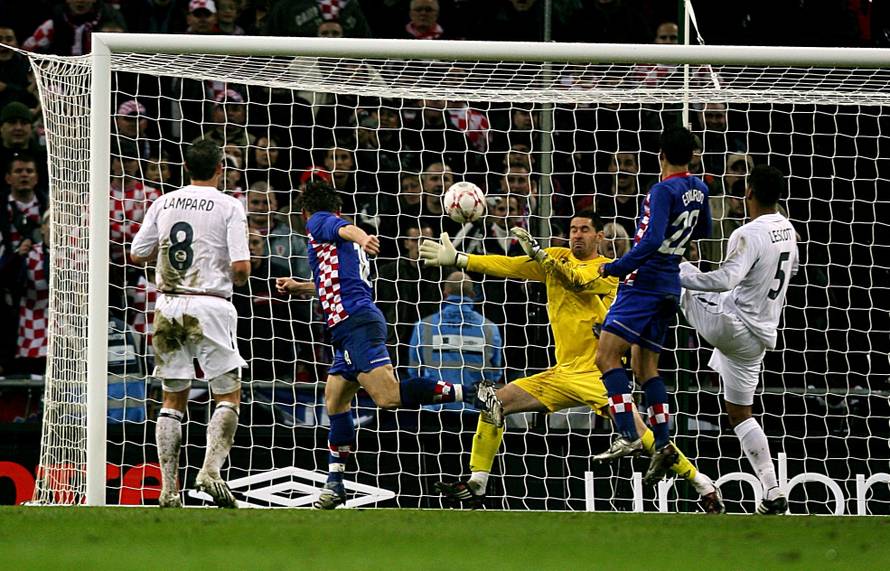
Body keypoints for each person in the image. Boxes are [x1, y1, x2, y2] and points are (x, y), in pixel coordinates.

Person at [421, 210, 724, 512]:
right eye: (573, 229)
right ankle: (477, 485)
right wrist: (461, 259)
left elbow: (578, 282)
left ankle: (702, 484)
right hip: (562, 373)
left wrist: (542, 257)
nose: (577, 235)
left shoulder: (608, 270)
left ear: (599, 236)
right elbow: (510, 266)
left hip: (597, 373)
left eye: (584, 229)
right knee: (494, 403)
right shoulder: (555, 258)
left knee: (643, 435)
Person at [274, 181, 501, 510]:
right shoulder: (338, 250)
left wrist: (362, 236)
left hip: (356, 324)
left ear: (306, 212)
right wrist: (300, 287)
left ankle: (472, 393)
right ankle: (334, 483)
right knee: (335, 400)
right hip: (350, 326)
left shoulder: (321, 222)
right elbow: (335, 284)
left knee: (388, 397)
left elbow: (343, 228)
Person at [130, 139, 251, 509]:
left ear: (186, 168)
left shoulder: (164, 202)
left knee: (172, 397)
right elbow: (242, 269)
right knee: (228, 393)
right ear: (220, 169)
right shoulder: (230, 205)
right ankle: (210, 470)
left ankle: (169, 490)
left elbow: (137, 253)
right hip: (211, 303)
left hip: (168, 304)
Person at [594, 126, 713, 486]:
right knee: (646, 367)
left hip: (643, 283)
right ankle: (662, 442)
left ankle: (628, 433)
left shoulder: (661, 190)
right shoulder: (701, 188)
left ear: (660, 154)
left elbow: (651, 240)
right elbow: (704, 230)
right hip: (669, 286)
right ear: (690, 156)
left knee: (606, 357)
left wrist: (615, 267)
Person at [679, 165, 798, 515]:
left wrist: (682, 273)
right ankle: (772, 490)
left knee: (674, 275)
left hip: (731, 326)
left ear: (748, 192)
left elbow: (725, 279)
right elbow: (788, 271)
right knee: (740, 413)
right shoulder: (788, 230)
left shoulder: (746, 233)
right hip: (759, 337)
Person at [407, 270, 503, 412]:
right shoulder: (490, 328)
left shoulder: (424, 326)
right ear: (473, 295)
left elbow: (414, 371)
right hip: (474, 410)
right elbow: (496, 373)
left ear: (444, 294)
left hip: (435, 410)